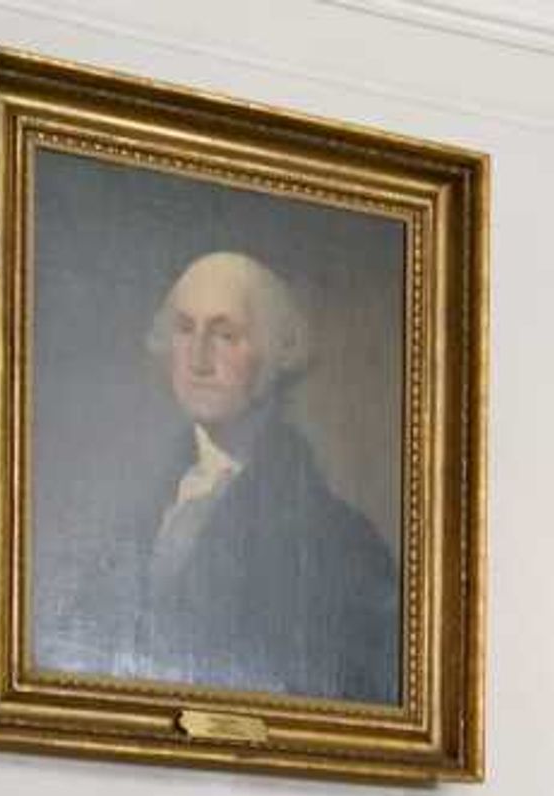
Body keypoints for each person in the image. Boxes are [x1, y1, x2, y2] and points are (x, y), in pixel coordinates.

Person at [113, 251, 399, 703]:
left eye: (225, 335)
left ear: (273, 354)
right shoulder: (137, 511)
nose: (199, 359)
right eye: (185, 330)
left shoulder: (342, 544)